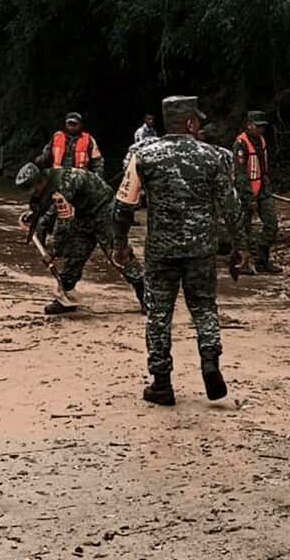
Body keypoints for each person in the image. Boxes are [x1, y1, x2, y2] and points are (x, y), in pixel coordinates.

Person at [113, 95, 250, 406]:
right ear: (190, 123)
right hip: (201, 248)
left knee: (159, 314)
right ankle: (209, 361)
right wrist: (240, 246)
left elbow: (123, 204)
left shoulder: (143, 155)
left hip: (161, 250)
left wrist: (119, 243)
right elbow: (231, 206)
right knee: (203, 305)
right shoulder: (214, 156)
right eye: (197, 122)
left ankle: (161, 384)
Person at [15, 162, 145, 315]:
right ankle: (65, 297)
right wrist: (35, 219)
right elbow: (51, 210)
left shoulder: (64, 184)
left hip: (104, 211)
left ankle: (147, 297)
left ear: (41, 181)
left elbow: (63, 223)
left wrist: (51, 252)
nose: (34, 194)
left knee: (118, 256)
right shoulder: (50, 180)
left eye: (34, 190)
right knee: (75, 255)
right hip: (83, 214)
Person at [234, 111, 280, 273]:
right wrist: (248, 196)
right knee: (244, 228)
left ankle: (262, 260)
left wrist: (266, 178)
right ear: (249, 124)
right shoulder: (241, 143)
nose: (261, 130)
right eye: (258, 126)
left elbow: (261, 164)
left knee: (271, 224)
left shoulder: (261, 141)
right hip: (248, 192)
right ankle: (243, 263)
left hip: (262, 190)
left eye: (263, 127)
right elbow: (240, 173)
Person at [35, 112, 104, 178]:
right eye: (69, 124)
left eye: (75, 124)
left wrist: (98, 177)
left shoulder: (88, 139)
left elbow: (97, 162)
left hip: (79, 178)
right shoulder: (57, 137)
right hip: (57, 176)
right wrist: (41, 159)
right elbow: (47, 155)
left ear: (80, 125)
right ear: (65, 124)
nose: (72, 127)